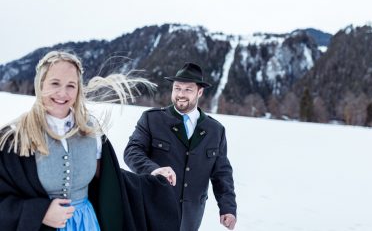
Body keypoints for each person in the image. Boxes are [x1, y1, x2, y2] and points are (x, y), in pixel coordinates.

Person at [0, 51, 180, 231]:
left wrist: (152, 176)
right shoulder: (16, 138)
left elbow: (113, 180)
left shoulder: (91, 132)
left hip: (87, 225)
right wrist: (39, 212)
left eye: (71, 85)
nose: (63, 93)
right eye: (55, 83)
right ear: (40, 85)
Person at [124, 62, 237, 231]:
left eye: (188, 89)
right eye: (177, 88)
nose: (180, 94)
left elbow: (222, 173)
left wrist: (228, 207)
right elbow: (132, 152)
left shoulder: (216, 130)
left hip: (190, 218)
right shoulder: (152, 120)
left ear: (199, 92)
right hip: (153, 209)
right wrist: (153, 169)